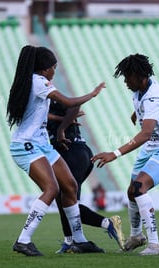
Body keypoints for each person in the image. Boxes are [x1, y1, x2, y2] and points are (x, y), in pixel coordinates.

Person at [7, 45, 106, 256]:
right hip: (26, 145)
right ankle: (23, 240)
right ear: (45, 69)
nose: (54, 71)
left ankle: (78, 241)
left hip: (41, 143)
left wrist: (61, 126)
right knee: (51, 189)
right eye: (53, 67)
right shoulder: (40, 82)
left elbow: (38, 114)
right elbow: (70, 103)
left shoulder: (33, 82)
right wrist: (93, 94)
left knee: (69, 185)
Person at [91, 54, 159, 255]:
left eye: (127, 77)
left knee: (138, 187)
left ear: (138, 75)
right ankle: (136, 236)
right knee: (131, 192)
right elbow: (146, 112)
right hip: (151, 147)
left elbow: (145, 134)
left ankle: (154, 244)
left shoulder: (153, 96)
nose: (125, 82)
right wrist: (138, 113)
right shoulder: (141, 91)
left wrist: (114, 153)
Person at [47, 101, 124, 253]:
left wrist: (62, 126)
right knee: (64, 200)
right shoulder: (44, 102)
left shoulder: (48, 98)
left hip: (72, 153)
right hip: (73, 154)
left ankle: (108, 223)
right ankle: (70, 242)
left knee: (67, 202)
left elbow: (74, 105)